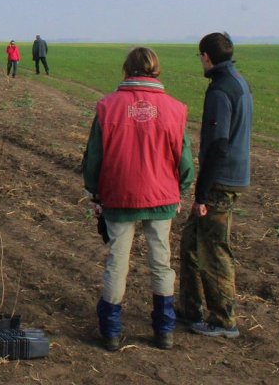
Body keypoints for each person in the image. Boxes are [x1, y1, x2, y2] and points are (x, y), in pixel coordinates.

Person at [82, 47, 193, 351]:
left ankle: (112, 332)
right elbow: (185, 160)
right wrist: (179, 190)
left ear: (127, 69)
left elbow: (94, 157)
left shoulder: (108, 107)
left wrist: (94, 191)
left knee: (118, 261)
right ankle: (164, 331)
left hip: (118, 196)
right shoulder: (175, 108)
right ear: (156, 70)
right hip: (162, 196)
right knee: (161, 262)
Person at [179, 32, 252, 339]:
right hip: (229, 177)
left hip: (220, 182)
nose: (201, 62)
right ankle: (190, 309)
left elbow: (218, 144)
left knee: (213, 250)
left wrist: (202, 193)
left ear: (206, 56)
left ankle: (223, 320)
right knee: (190, 243)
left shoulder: (220, 90)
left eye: (200, 57)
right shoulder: (238, 81)